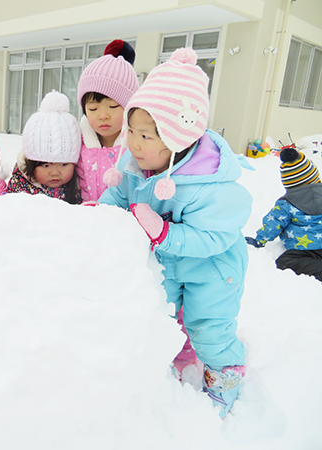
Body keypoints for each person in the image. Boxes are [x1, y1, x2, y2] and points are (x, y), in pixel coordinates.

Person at [99, 48, 253, 418]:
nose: (134, 143)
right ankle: (171, 361)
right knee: (157, 315)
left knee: (207, 326)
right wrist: (101, 216)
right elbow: (119, 195)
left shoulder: (211, 185)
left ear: (178, 138)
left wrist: (165, 233)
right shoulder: (137, 162)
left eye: (146, 135)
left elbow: (215, 237)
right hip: (166, 262)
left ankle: (225, 378)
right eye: (131, 131)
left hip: (212, 269)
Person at [75, 39, 139, 203]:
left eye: (112, 106)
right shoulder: (77, 143)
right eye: (93, 109)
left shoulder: (138, 146)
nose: (103, 116)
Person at [246, 147, 322, 281]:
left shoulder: (286, 205)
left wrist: (259, 240)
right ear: (314, 174)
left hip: (302, 251)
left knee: (284, 262)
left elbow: (273, 225)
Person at [6, 91, 82, 204]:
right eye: (46, 165)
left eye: (64, 164)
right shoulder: (20, 189)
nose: (55, 173)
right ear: (31, 164)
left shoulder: (78, 186)